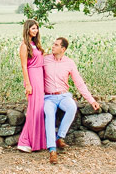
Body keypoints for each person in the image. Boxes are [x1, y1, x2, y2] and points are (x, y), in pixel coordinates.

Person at [43, 36, 100, 164]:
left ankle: (60, 137)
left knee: (72, 107)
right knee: (49, 114)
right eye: (53, 44)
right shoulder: (45, 60)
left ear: (63, 49)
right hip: (49, 97)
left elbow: (79, 83)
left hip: (64, 95)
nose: (53, 46)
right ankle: (52, 150)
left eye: (56, 45)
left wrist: (91, 100)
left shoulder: (69, 63)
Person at [16, 19, 46, 152]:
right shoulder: (24, 46)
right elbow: (23, 66)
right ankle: (25, 141)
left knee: (39, 109)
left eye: (37, 28)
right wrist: (27, 84)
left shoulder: (35, 44)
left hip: (39, 75)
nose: (36, 30)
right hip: (32, 77)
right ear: (27, 29)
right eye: (33, 28)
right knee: (33, 110)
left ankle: (37, 142)